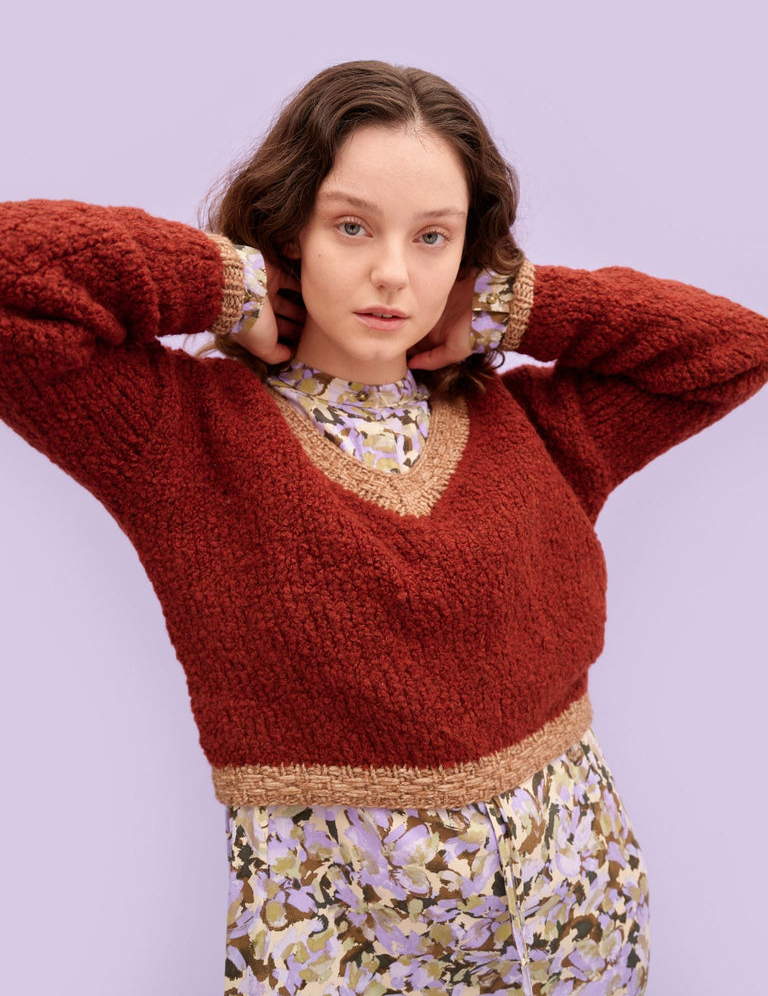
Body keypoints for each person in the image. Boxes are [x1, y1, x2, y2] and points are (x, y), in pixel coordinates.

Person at [1, 60, 766, 996]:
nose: (394, 273)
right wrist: (222, 283)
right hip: (343, 954)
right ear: (291, 228)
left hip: (579, 925)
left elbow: (736, 350)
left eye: (433, 236)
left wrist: (515, 305)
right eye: (352, 226)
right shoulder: (180, 438)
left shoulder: (536, 429)